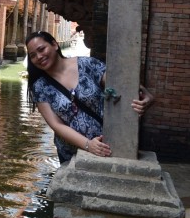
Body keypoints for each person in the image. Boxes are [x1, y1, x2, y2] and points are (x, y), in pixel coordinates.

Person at [26, 31, 153, 164]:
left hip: (108, 144)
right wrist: (88, 145)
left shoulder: (87, 65)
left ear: (54, 45)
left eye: (41, 49)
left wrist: (146, 96)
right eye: (33, 55)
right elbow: (56, 124)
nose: (39, 57)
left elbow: (120, 85)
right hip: (72, 154)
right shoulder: (40, 86)